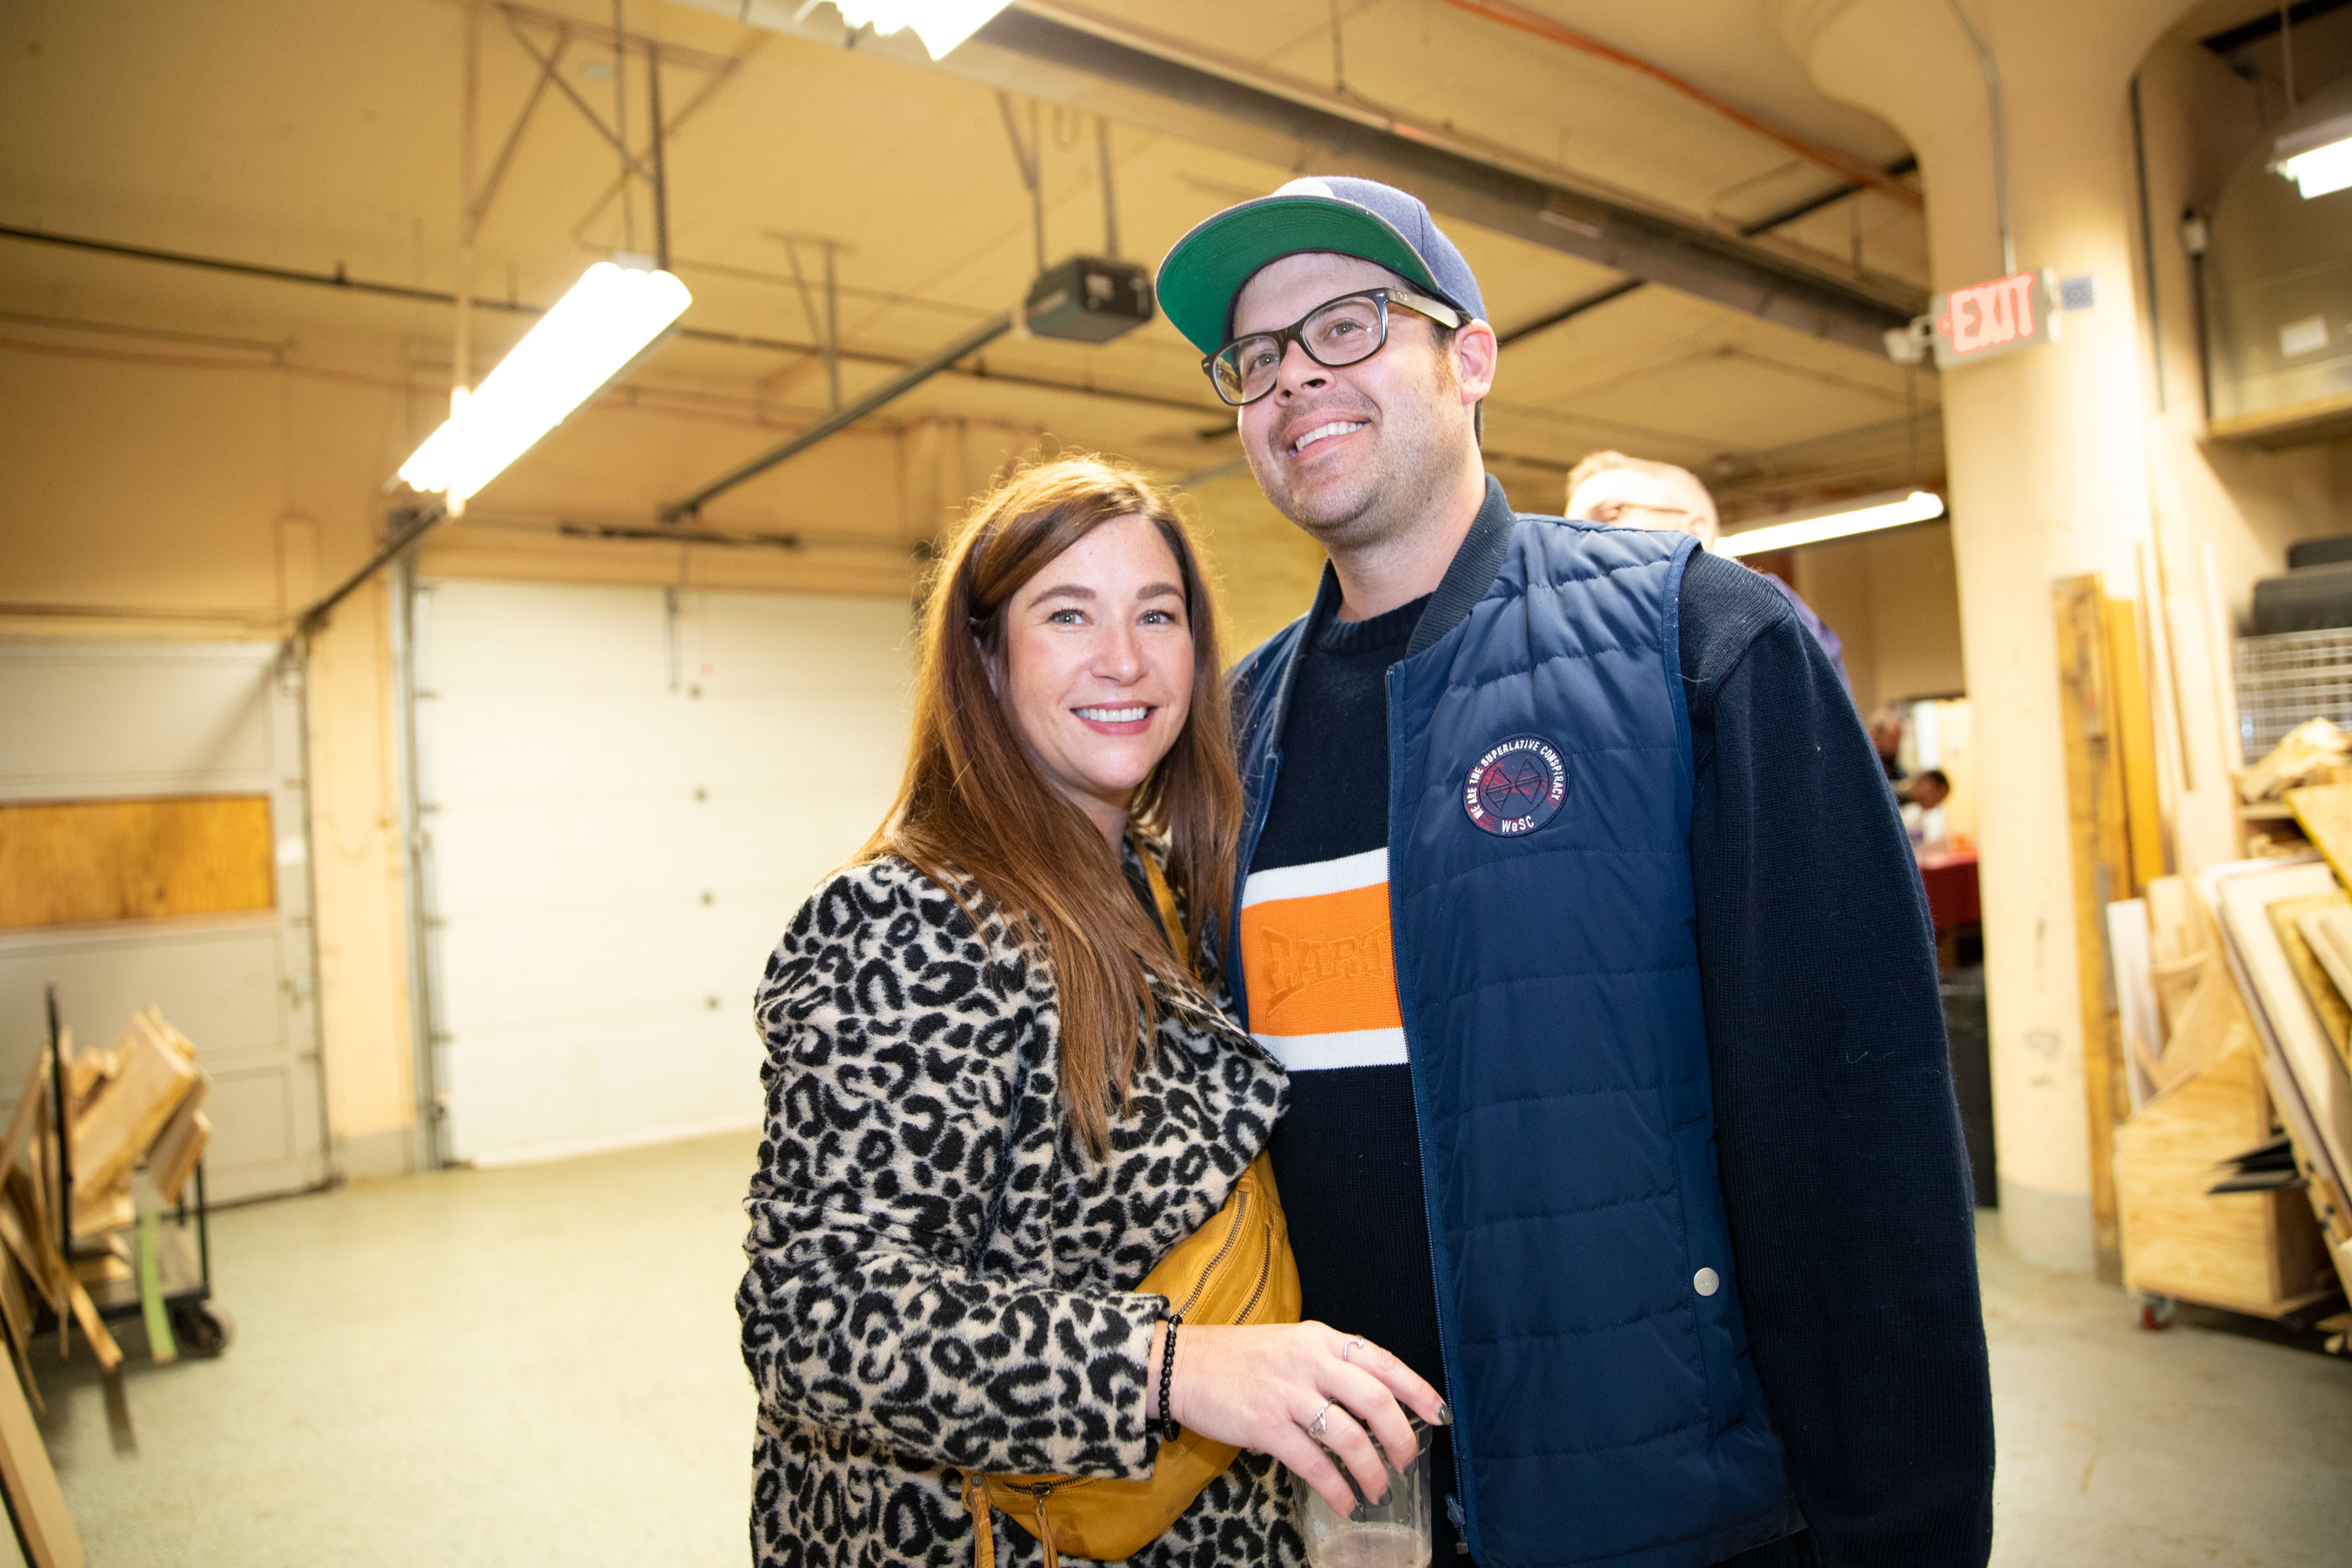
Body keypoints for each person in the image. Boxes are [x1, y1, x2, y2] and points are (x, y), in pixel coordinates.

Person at [1153, 177, 1992, 1566]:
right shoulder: (1232, 737)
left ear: (1472, 358)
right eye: (1255, 356)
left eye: (1347, 326)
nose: (1293, 376)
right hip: (1360, 1511)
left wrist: (1906, 1532)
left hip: (1669, 1512)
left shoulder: (1702, 644)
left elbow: (1861, 1139)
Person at [736, 455, 1444, 1568]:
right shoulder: (906, 918)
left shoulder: (1160, 883)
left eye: (1157, 614)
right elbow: (814, 1311)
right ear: (987, 657)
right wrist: (1172, 1369)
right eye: (1068, 614)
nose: (1124, 658)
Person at [1564, 449, 1853, 696]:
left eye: (1612, 514)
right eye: (1569, 530)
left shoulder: (1761, 615)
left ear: (1694, 530)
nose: (1582, 541)